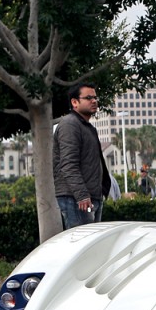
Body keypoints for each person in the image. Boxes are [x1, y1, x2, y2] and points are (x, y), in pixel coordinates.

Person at [53, 83, 113, 229]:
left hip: (90, 197)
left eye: (95, 97)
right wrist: (82, 196)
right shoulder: (70, 125)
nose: (94, 101)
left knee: (91, 245)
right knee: (82, 245)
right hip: (77, 199)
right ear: (74, 102)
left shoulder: (87, 127)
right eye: (88, 98)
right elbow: (68, 165)